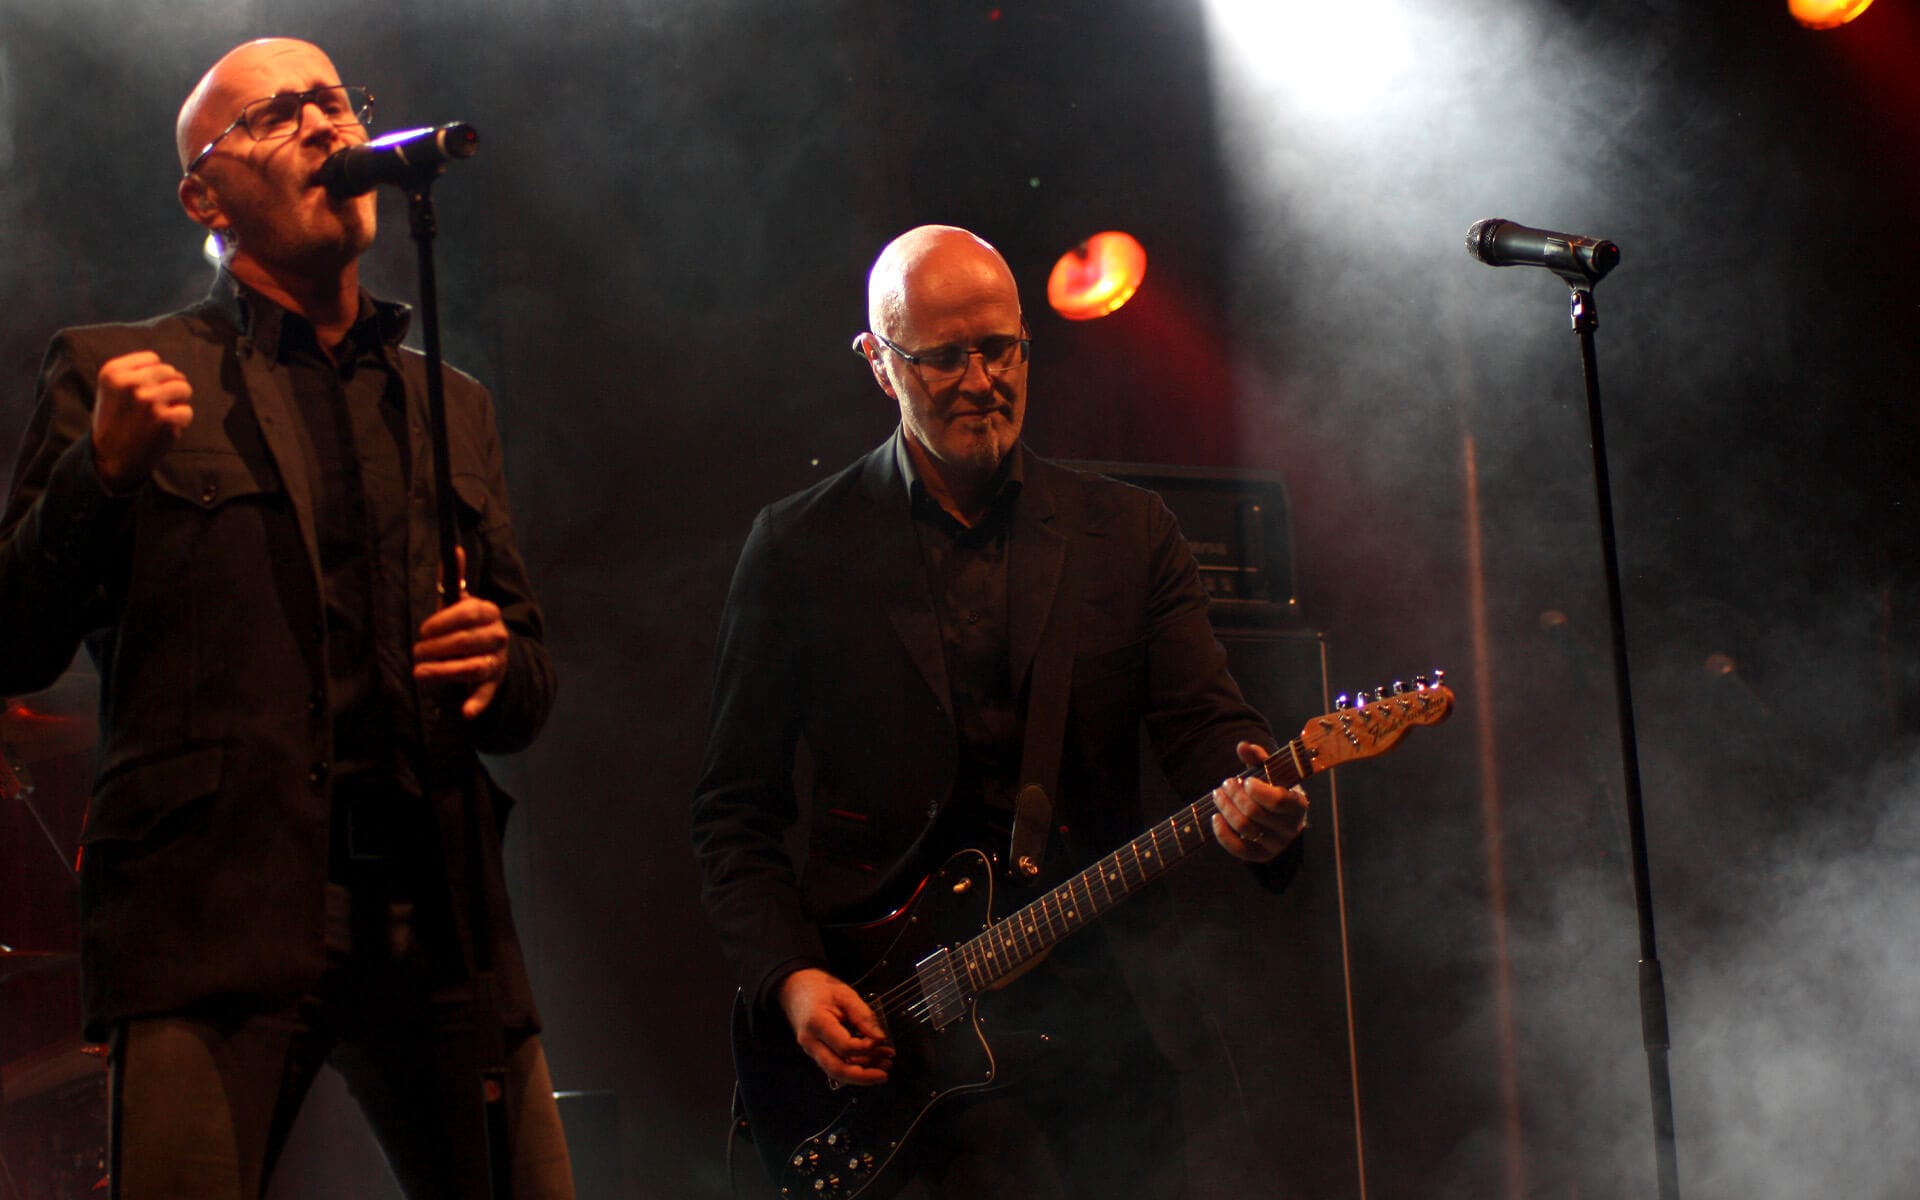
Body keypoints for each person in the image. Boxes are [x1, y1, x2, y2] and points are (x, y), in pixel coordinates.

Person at [0, 38, 572, 1199]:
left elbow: (524, 691)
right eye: (276, 116)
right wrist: (96, 479)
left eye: (333, 103)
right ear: (201, 195)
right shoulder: (115, 370)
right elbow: (12, 642)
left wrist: (499, 662)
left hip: (440, 914)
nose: (324, 128)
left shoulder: (449, 403)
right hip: (213, 918)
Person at [691, 224, 1310, 1197]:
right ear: (880, 364)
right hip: (898, 1037)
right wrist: (793, 980)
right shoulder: (800, 549)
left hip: (1107, 1024)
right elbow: (735, 810)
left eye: (1002, 349)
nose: (982, 379)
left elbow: (1202, 724)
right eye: (944, 358)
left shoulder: (1126, 533)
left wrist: (1258, 805)